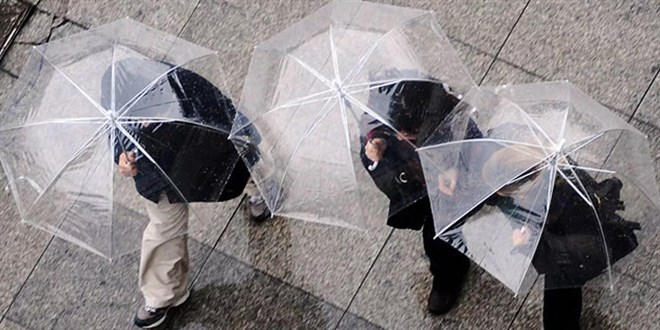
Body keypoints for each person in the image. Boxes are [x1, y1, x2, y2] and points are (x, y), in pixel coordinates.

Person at [105, 58, 268, 328]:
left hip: (201, 147)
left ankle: (262, 188)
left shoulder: (179, 83)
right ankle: (162, 295)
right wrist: (121, 157)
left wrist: (244, 137)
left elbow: (222, 114)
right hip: (157, 175)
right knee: (163, 229)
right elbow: (114, 134)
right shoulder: (115, 89)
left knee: (236, 169)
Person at [477, 145, 640, 330]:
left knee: (559, 312)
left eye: (504, 192)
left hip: (580, 254)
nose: (499, 196)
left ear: (522, 190)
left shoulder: (563, 207)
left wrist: (525, 244)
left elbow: (554, 260)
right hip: (569, 231)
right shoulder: (546, 166)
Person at [360, 70, 479, 315]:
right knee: (435, 238)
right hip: (417, 192)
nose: (402, 137)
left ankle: (450, 273)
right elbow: (373, 141)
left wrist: (452, 168)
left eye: (408, 134)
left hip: (450, 194)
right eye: (397, 133)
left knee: (441, 234)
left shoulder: (455, 122)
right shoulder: (382, 116)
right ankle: (447, 273)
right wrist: (375, 152)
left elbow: (478, 152)